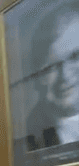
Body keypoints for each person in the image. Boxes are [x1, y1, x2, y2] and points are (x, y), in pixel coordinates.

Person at [19, 1, 79, 151]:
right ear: (37, 77)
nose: (64, 76)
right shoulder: (22, 148)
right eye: (51, 65)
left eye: (75, 57)